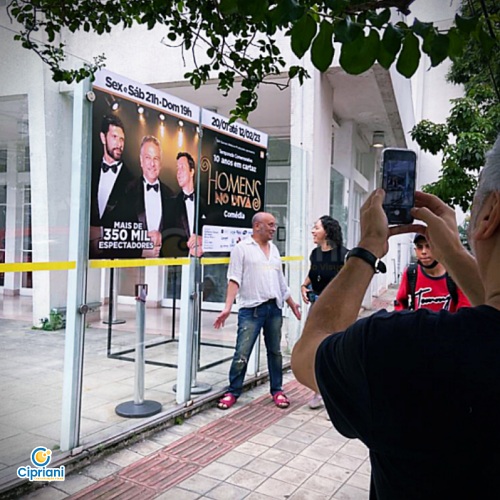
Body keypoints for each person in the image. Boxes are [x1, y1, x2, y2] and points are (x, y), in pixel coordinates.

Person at [291, 135, 500, 499]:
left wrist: (369, 246)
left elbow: (308, 352)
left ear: (489, 215)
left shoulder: (405, 348)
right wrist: (450, 249)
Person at [214, 212, 302, 410]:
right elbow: (234, 278)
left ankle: (277, 390)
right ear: (257, 226)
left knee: (275, 352)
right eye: (270, 225)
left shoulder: (274, 249)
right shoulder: (242, 248)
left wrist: (291, 302)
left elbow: (280, 281)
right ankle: (233, 391)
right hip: (251, 310)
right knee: (242, 353)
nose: (273, 228)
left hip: (274, 309)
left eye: (274, 224)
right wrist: (227, 307)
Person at [300, 215, 348, 409]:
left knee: (334, 351)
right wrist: (304, 286)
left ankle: (334, 398)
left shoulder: (344, 255)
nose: (312, 231)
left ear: (327, 231)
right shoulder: (315, 253)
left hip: (336, 310)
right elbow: (313, 274)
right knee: (314, 348)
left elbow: (350, 283)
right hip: (316, 307)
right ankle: (318, 390)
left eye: (316, 227)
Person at [90, 115, 133, 258]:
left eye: (122, 139)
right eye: (114, 137)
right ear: (103, 138)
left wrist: (101, 232)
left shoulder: (132, 181)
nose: (119, 144)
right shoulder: (89, 171)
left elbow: (133, 227)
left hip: (116, 259)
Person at [123, 135, 174, 258]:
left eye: (156, 158)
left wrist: (162, 237)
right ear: (141, 161)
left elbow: (177, 232)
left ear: (161, 162)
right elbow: (118, 234)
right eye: (148, 158)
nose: (152, 164)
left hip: (163, 266)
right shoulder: (127, 191)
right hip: (132, 267)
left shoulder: (170, 194)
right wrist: (140, 251)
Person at [395, 233, 470, 311]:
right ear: (415, 250)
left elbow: (464, 310)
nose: (424, 251)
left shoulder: (456, 275)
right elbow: (400, 304)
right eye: (419, 247)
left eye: (429, 246)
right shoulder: (411, 273)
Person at [169, 151, 206, 257]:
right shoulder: (171, 205)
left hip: (200, 265)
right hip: (178, 267)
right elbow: (167, 239)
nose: (178, 173)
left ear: (191, 172)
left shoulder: (204, 204)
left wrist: (202, 241)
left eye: (182, 168)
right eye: (177, 168)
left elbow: (213, 235)